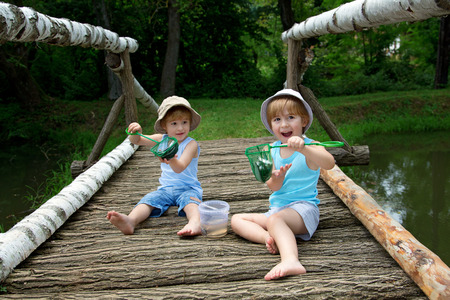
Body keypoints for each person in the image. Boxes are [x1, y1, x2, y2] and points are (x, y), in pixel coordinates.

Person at [231, 89, 335, 280]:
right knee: (237, 220)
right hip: (278, 210)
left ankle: (291, 260)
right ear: (271, 125)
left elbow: (329, 163)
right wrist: (277, 177)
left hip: (304, 211)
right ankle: (269, 238)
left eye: (291, 117)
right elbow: (274, 187)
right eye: (277, 119)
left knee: (275, 220)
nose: (284, 124)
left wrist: (305, 148)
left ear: (304, 122)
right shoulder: (271, 150)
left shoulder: (311, 145)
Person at [107, 96, 203, 237]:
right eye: (174, 123)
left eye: (184, 122)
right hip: (166, 188)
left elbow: (179, 167)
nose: (180, 128)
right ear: (164, 125)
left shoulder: (191, 144)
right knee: (149, 200)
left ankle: (195, 223)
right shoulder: (161, 139)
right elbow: (138, 140)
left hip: (188, 188)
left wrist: (169, 157)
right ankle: (131, 221)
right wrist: (135, 132)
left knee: (191, 203)